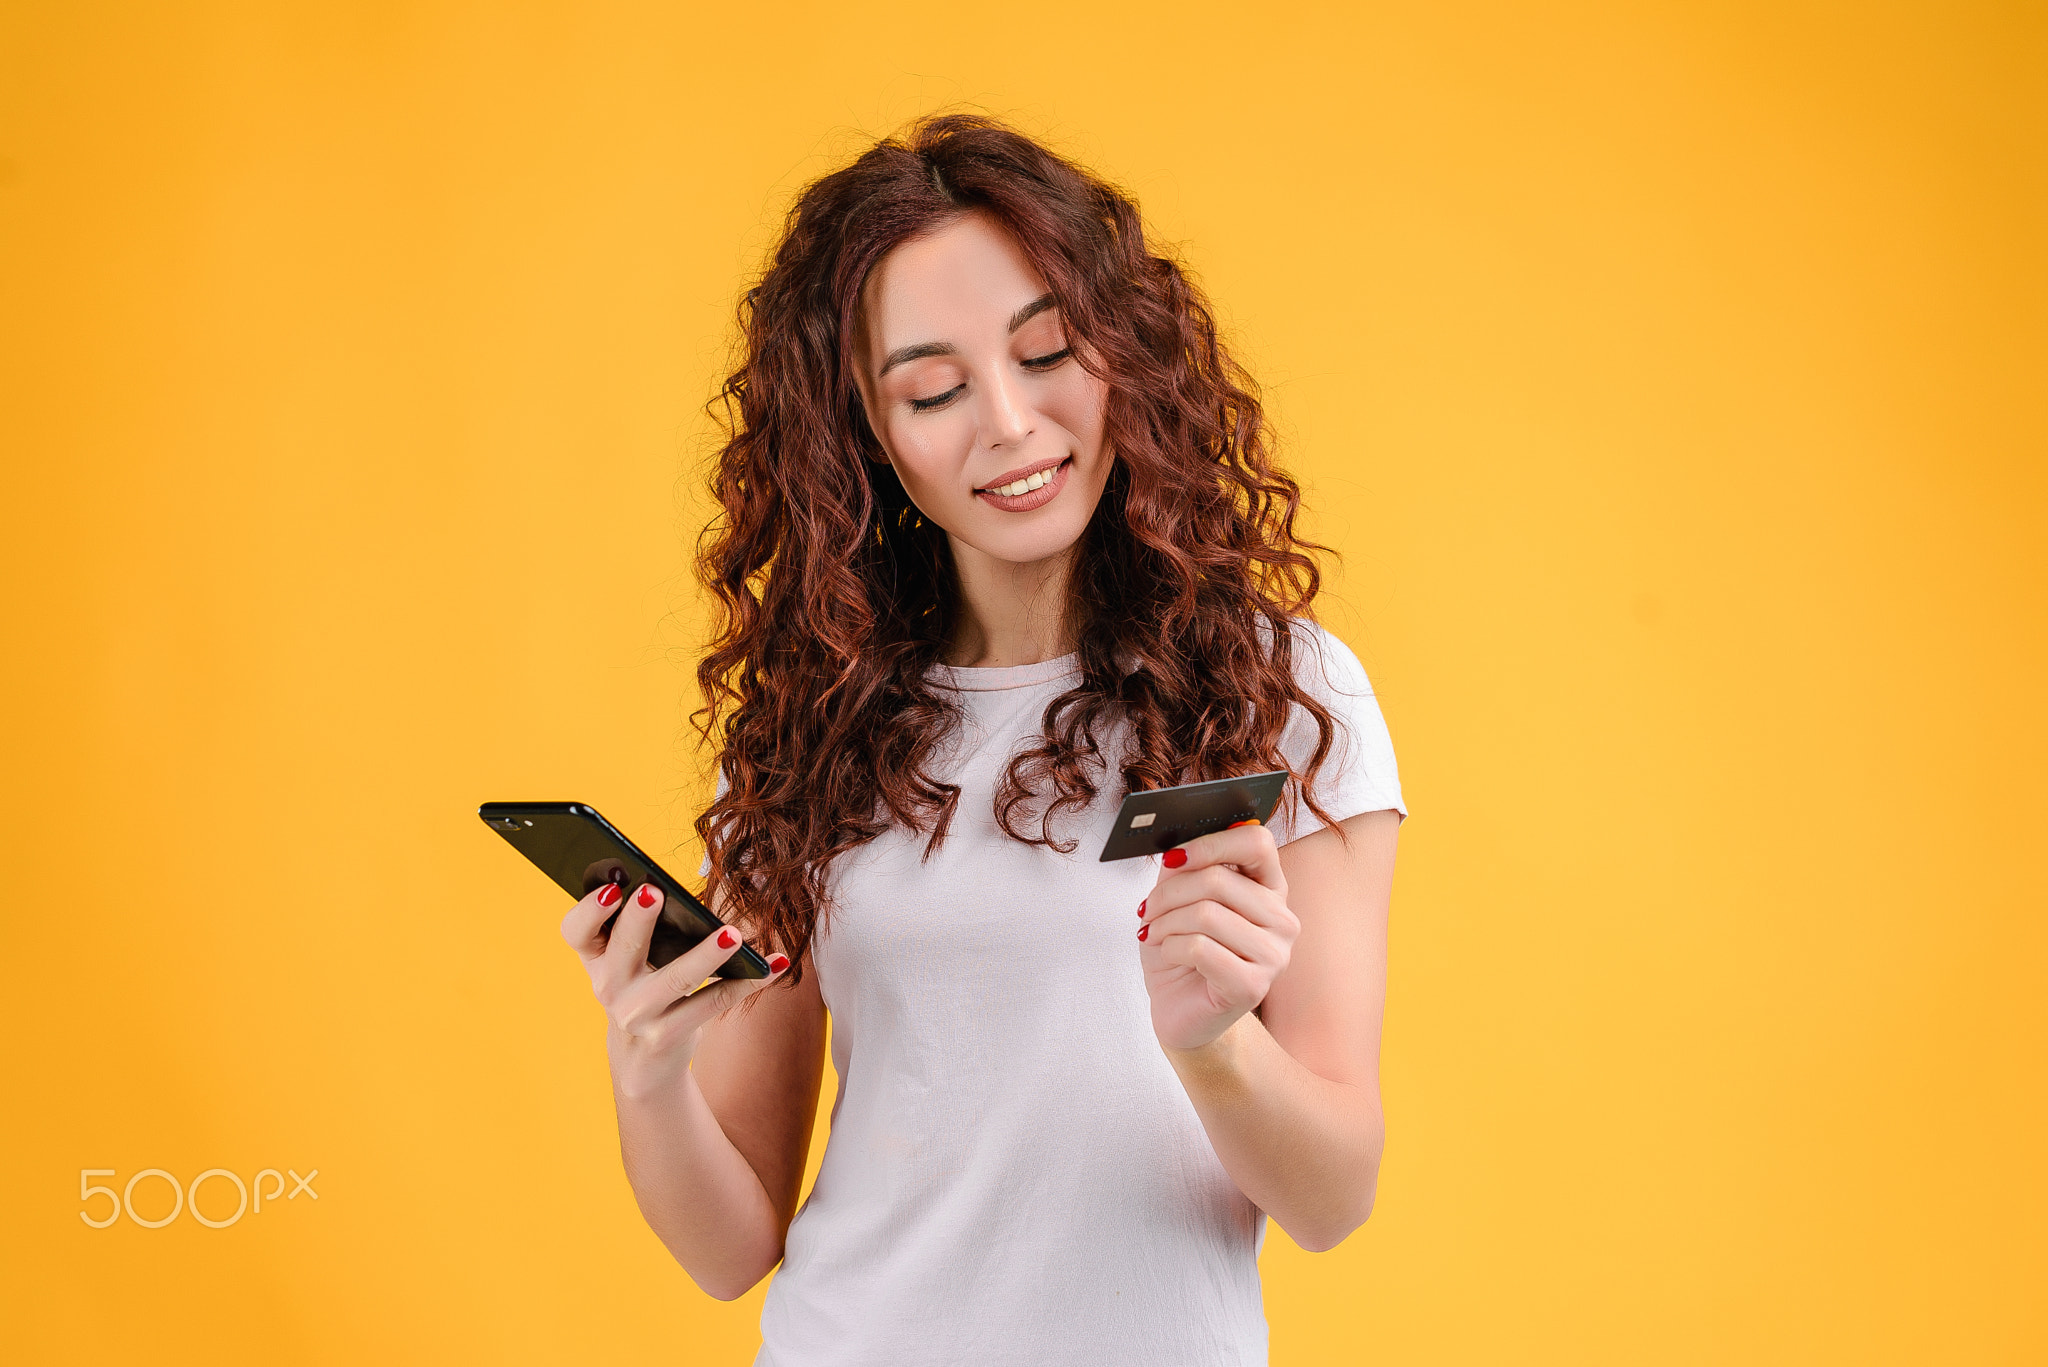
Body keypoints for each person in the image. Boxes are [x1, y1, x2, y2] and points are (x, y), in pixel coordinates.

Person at [558, 114, 1406, 1367]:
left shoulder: (1279, 692)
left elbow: (1331, 1195)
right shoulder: (815, 726)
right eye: (934, 388)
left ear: (1122, 355)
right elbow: (728, 1244)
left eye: (1048, 350)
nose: (1007, 423)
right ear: (870, 438)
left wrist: (1211, 1040)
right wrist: (649, 1068)